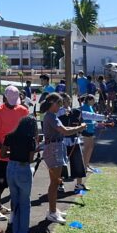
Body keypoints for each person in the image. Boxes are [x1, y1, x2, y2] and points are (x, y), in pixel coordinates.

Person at [0, 86, 30, 227]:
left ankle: (12, 219)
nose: (12, 103)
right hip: (2, 157)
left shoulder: (23, 111)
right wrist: (3, 147)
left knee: (15, 190)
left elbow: (27, 132)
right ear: (4, 97)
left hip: (18, 156)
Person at [41, 93, 85, 224]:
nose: (61, 106)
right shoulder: (50, 116)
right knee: (55, 182)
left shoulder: (52, 116)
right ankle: (52, 212)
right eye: (59, 104)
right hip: (53, 149)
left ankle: (53, 209)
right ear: (52, 103)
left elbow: (64, 129)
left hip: (56, 148)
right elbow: (65, 131)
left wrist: (77, 128)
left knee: (55, 182)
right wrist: (80, 127)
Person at [3, 115, 39, 233]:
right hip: (23, 169)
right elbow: (30, 159)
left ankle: (15, 232)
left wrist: (13, 153)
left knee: (15, 201)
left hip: (11, 168)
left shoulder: (10, 136)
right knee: (25, 203)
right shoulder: (30, 139)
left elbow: (3, 154)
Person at [80, 94, 98, 174]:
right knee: (87, 148)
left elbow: (93, 117)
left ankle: (87, 164)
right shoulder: (83, 107)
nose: (94, 102)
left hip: (91, 129)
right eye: (93, 100)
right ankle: (83, 166)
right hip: (86, 129)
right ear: (89, 100)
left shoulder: (90, 107)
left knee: (91, 147)